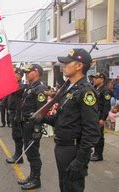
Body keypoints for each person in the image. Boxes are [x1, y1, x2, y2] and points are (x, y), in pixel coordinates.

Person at [41, 48, 101, 191]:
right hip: (62, 147)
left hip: (73, 150)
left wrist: (80, 161)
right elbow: (62, 120)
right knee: (64, 186)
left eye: (68, 62)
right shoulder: (70, 88)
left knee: (72, 187)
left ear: (79, 66)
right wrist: (42, 118)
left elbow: (91, 130)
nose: (64, 65)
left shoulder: (86, 92)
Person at [17, 64, 47, 190]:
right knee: (29, 152)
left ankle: (36, 180)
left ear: (36, 72)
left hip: (32, 126)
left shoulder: (40, 88)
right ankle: (32, 176)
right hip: (26, 124)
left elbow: (42, 111)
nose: (26, 74)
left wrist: (37, 129)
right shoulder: (30, 87)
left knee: (33, 153)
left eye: (29, 72)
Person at [90, 72, 111, 161]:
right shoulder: (95, 89)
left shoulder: (105, 91)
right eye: (94, 77)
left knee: (99, 136)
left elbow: (107, 106)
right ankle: (94, 152)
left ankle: (99, 155)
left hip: (99, 115)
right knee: (93, 134)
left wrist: (103, 118)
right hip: (94, 115)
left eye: (96, 78)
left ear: (102, 79)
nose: (94, 79)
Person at [6, 68, 25, 164]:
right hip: (12, 113)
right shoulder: (13, 85)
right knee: (15, 135)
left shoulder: (21, 86)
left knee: (17, 135)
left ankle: (18, 156)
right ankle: (18, 155)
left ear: (19, 76)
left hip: (17, 114)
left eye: (15, 74)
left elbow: (15, 90)